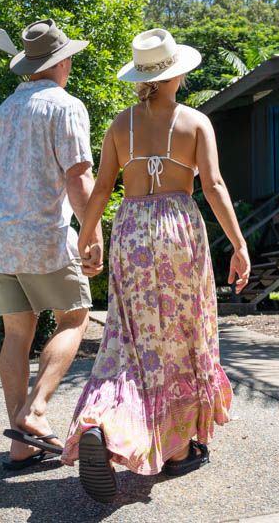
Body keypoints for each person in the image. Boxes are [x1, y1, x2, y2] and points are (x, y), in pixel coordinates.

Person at [61, 28, 250, 503]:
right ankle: (180, 445)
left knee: (129, 339)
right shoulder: (195, 123)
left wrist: (88, 238)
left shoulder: (119, 125)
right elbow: (214, 187)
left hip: (130, 232)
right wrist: (239, 244)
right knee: (184, 336)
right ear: (177, 73)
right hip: (179, 233)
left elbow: (101, 189)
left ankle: (102, 425)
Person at [0, 19, 103, 471]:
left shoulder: (1, 113)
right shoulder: (66, 106)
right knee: (75, 317)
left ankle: (21, 443)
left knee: (16, 333)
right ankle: (37, 411)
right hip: (43, 236)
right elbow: (78, 177)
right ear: (62, 61)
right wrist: (91, 233)